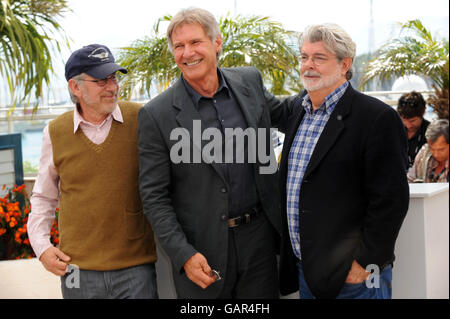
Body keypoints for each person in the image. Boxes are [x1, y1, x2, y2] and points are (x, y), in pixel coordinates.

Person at [138, 8, 288, 299]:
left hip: (259, 243)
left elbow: (288, 113)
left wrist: (330, 88)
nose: (187, 53)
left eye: (195, 42)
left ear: (217, 43)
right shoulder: (157, 115)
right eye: (179, 46)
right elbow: (154, 197)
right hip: (201, 254)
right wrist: (184, 255)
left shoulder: (250, 82)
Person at [278, 24, 410, 299]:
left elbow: (391, 200)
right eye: (304, 57)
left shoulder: (376, 118)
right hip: (308, 273)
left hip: (355, 279)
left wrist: (363, 264)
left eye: (319, 58)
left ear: (345, 64)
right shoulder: (297, 112)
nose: (308, 65)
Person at [27, 44, 158, 299]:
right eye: (100, 80)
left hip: (136, 268)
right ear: (75, 87)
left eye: (113, 78)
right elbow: (43, 197)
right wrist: (42, 247)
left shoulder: (140, 119)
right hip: (76, 270)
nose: (112, 87)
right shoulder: (55, 132)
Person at [397, 91, 430, 169]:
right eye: (404, 120)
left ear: (423, 112)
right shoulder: (394, 130)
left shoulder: (431, 131)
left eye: (413, 121)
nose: (408, 125)